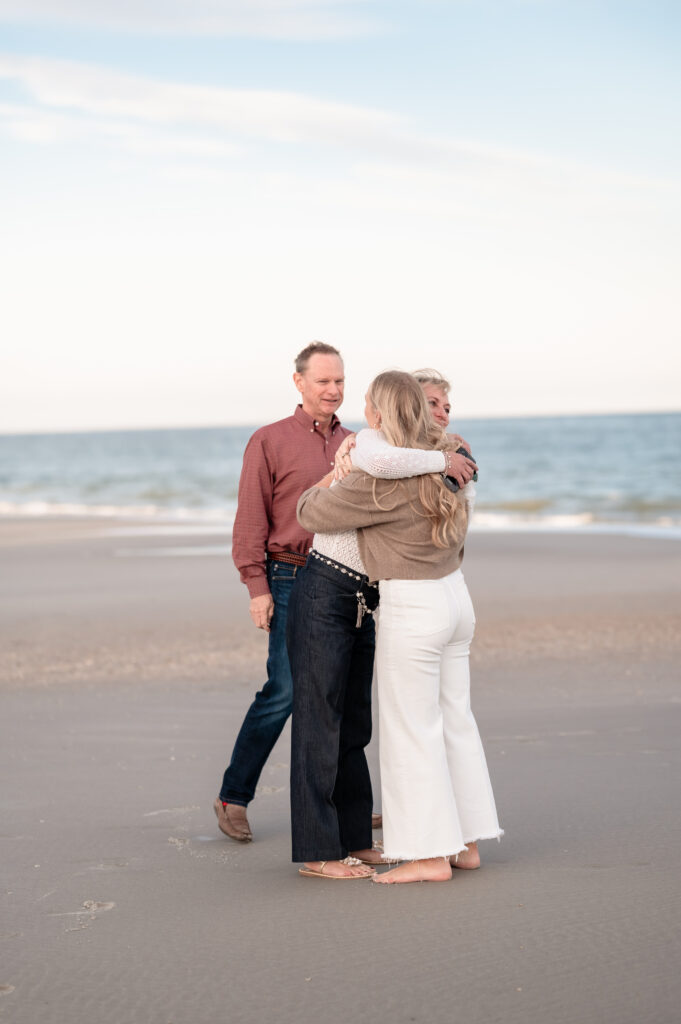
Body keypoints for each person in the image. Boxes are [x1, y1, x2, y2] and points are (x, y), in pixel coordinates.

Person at [296, 371, 502, 883]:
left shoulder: (378, 479)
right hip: (456, 597)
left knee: (412, 731)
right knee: (456, 720)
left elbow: (309, 512)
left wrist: (332, 475)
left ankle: (430, 855)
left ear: (379, 414)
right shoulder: (455, 465)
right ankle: (467, 843)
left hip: (415, 605)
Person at [213, 342, 351, 843]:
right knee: (286, 691)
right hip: (289, 576)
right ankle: (233, 796)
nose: (333, 390)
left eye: (339, 381)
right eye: (323, 381)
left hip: (343, 578)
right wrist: (257, 587)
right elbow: (250, 517)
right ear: (299, 382)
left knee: (338, 696)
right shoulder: (268, 441)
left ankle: (344, 807)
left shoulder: (356, 443)